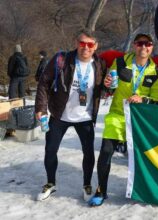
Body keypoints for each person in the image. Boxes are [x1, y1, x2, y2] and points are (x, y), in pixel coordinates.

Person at [88, 33, 158, 207]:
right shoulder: (121, 62)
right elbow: (111, 87)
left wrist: (142, 99)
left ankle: (143, 191)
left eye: (147, 44)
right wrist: (108, 84)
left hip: (140, 120)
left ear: (152, 47)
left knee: (141, 158)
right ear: (134, 45)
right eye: (139, 43)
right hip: (117, 115)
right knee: (106, 151)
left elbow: (157, 98)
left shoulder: (157, 71)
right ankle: (101, 190)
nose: (143, 47)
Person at [34, 29, 106, 201]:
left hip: (86, 118)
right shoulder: (62, 59)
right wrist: (41, 108)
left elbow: (106, 88)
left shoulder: (100, 64)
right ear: (76, 43)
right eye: (82, 43)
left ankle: (87, 184)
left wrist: (110, 86)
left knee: (88, 153)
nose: (85, 48)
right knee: (50, 150)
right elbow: (44, 82)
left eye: (89, 44)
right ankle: (51, 183)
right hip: (60, 114)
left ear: (95, 46)